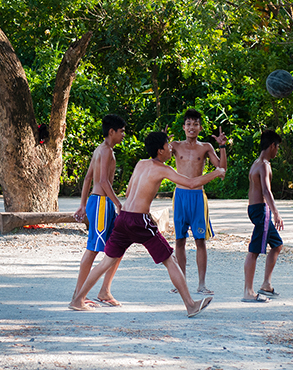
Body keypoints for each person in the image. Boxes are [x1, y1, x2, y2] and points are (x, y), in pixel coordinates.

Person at [69, 131, 225, 317]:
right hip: (139, 221)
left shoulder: (140, 164)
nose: (170, 148)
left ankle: (77, 300)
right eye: (167, 146)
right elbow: (190, 184)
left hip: (124, 218)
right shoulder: (163, 169)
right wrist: (216, 173)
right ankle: (191, 305)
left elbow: (128, 192)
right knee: (170, 259)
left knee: (106, 262)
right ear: (160, 151)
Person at [167, 109, 228, 295]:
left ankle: (202, 284)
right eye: (188, 124)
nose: (191, 127)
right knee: (179, 240)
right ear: (184, 127)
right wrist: (163, 143)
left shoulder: (206, 146)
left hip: (198, 197)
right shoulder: (175, 145)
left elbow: (221, 169)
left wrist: (222, 147)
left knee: (200, 240)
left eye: (195, 124)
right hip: (180, 196)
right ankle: (181, 281)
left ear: (200, 127)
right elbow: (161, 159)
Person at [71, 114, 126, 308]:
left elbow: (87, 178)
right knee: (94, 249)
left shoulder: (100, 150)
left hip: (99, 203)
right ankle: (78, 296)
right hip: (102, 203)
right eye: (121, 131)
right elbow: (102, 182)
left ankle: (104, 291)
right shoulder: (106, 152)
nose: (123, 135)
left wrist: (83, 204)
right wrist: (118, 203)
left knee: (117, 249)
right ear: (112, 131)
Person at [243, 130, 284, 302]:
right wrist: (276, 212)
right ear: (272, 145)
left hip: (254, 209)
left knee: (277, 244)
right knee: (254, 251)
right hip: (261, 211)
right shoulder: (264, 165)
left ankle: (266, 284)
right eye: (277, 147)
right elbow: (266, 190)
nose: (277, 151)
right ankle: (248, 292)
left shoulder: (256, 163)